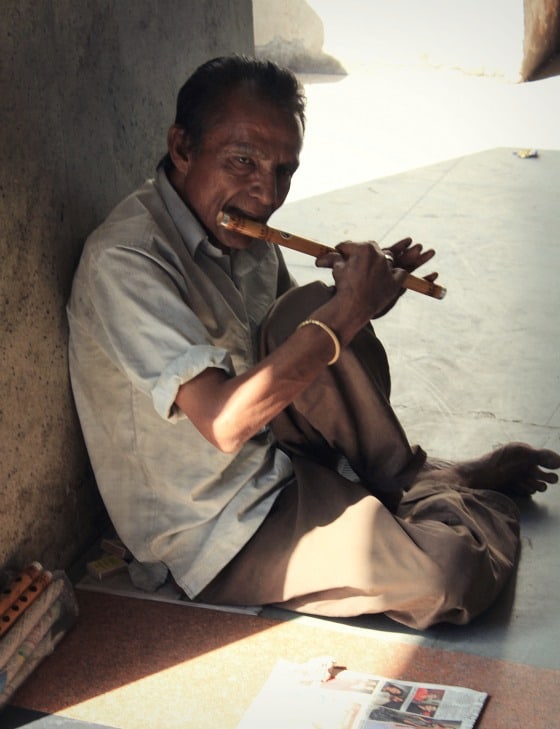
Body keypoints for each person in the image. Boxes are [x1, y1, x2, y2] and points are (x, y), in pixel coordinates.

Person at [67, 55, 560, 630]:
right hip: (220, 528)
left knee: (307, 310)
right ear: (181, 148)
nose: (266, 193)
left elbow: (303, 355)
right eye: (243, 161)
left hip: (283, 459)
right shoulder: (126, 262)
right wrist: (347, 310)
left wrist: (357, 302)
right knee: (445, 576)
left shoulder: (244, 233)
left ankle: (411, 483)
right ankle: (436, 490)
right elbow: (225, 423)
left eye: (284, 171)